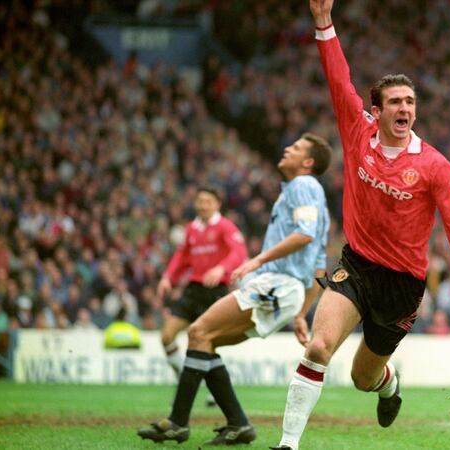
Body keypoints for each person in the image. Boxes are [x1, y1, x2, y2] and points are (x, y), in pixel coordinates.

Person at [272, 2, 450, 449]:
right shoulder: (357, 131)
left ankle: (388, 385)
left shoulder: (434, 166)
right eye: (395, 102)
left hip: (403, 284)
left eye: (410, 101)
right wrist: (324, 24)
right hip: (357, 267)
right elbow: (338, 80)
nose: (404, 108)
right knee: (317, 348)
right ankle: (287, 445)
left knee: (361, 378)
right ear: (377, 110)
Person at [137, 133, 333, 445]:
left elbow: (305, 235)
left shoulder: (303, 186)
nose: (286, 148)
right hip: (287, 290)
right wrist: (302, 311)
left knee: (199, 331)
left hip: (277, 285)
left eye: (295, 148)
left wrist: (258, 261)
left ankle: (178, 422)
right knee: (205, 339)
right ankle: (238, 424)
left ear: (307, 162)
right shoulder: (306, 193)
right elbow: (319, 261)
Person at [156, 186, 248, 406]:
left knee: (208, 342)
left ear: (217, 204)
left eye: (208, 201)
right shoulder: (192, 229)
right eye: (200, 201)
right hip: (193, 289)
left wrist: (221, 269)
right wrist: (168, 277)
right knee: (167, 336)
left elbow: (239, 253)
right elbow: (182, 256)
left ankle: (213, 389)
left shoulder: (226, 226)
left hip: (216, 291)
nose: (203, 205)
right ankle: (184, 375)